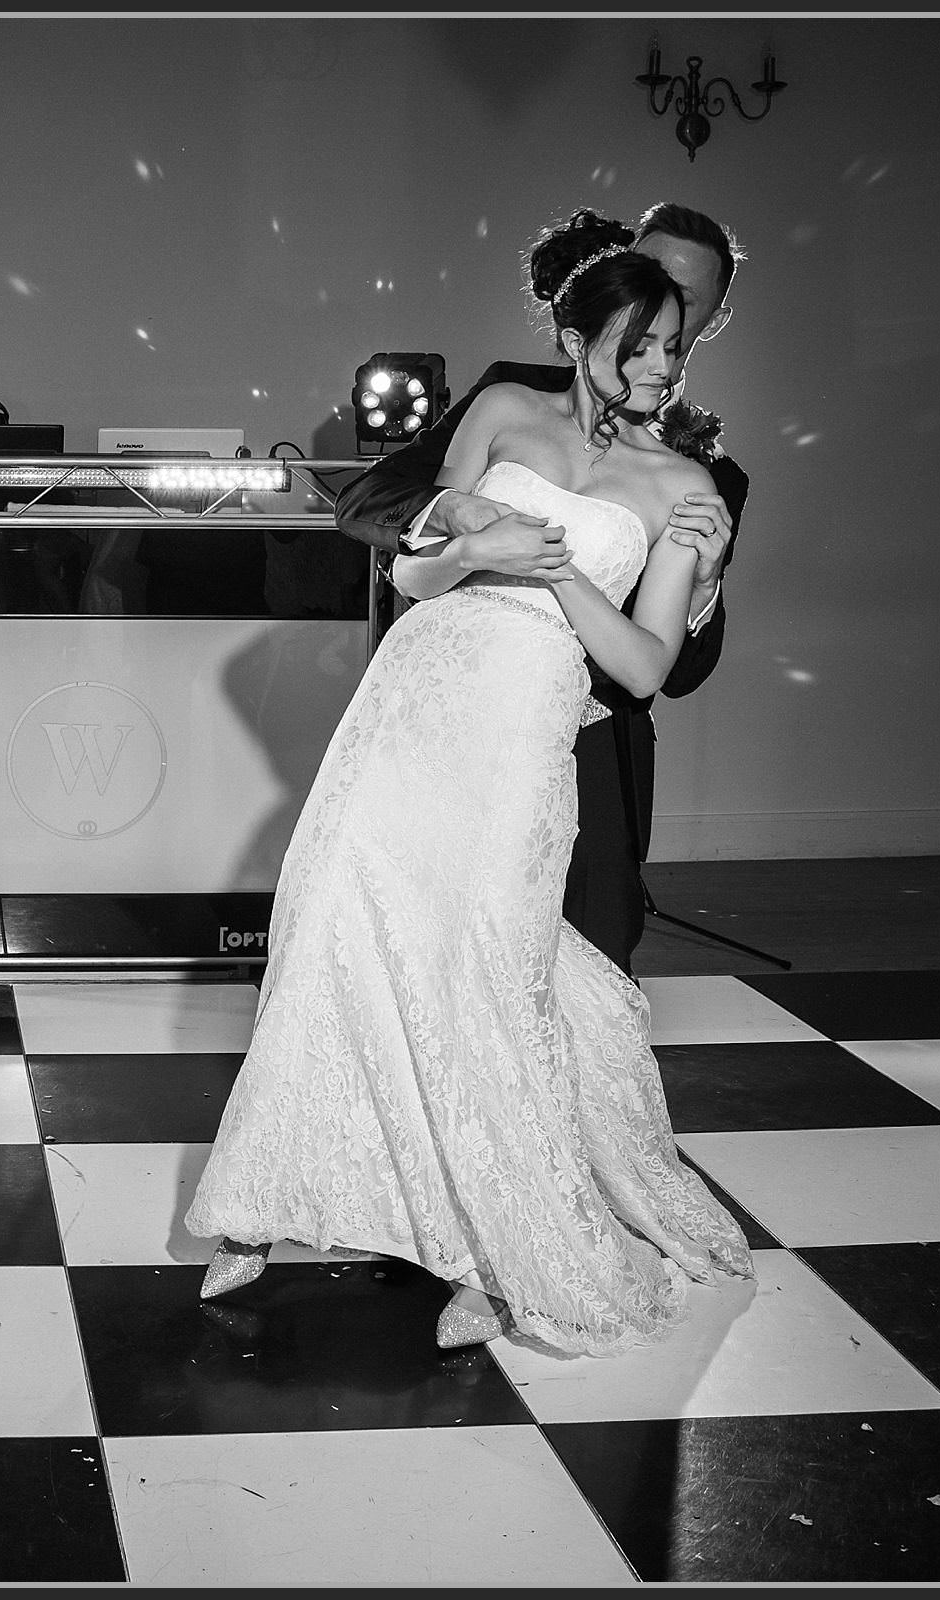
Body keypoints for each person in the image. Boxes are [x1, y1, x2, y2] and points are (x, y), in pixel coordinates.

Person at [184, 209, 753, 1355]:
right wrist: (471, 550)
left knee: (488, 962)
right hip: (411, 699)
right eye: (637, 344)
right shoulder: (499, 409)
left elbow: (643, 667)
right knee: (333, 918)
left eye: (673, 351)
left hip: (522, 728)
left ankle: (494, 1253)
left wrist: (555, 574)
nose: (655, 369)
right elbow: (416, 576)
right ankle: (260, 1197)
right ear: (579, 334)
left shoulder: (682, 484)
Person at [332, 203, 749, 976]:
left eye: (683, 313)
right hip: (425, 699)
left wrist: (704, 579)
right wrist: (459, 525)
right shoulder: (505, 400)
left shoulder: (700, 480)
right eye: (649, 293)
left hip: (574, 729)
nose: (663, 342)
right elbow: (378, 515)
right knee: (377, 937)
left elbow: (668, 670)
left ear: (710, 319)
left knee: (553, 961)